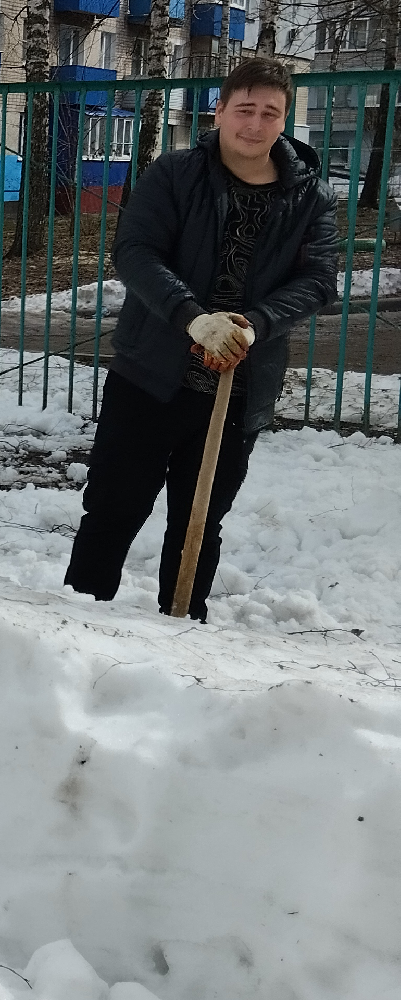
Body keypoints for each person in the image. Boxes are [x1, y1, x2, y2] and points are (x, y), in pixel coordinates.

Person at [64, 57, 339, 621]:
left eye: (270, 113)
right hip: (150, 375)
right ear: (220, 112)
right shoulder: (175, 173)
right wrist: (193, 318)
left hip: (237, 385)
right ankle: (75, 625)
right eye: (245, 109)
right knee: (113, 508)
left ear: (284, 120)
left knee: (199, 520)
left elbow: (318, 280)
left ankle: (184, 628)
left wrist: (255, 323)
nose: (255, 125)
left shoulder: (310, 196)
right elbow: (135, 252)